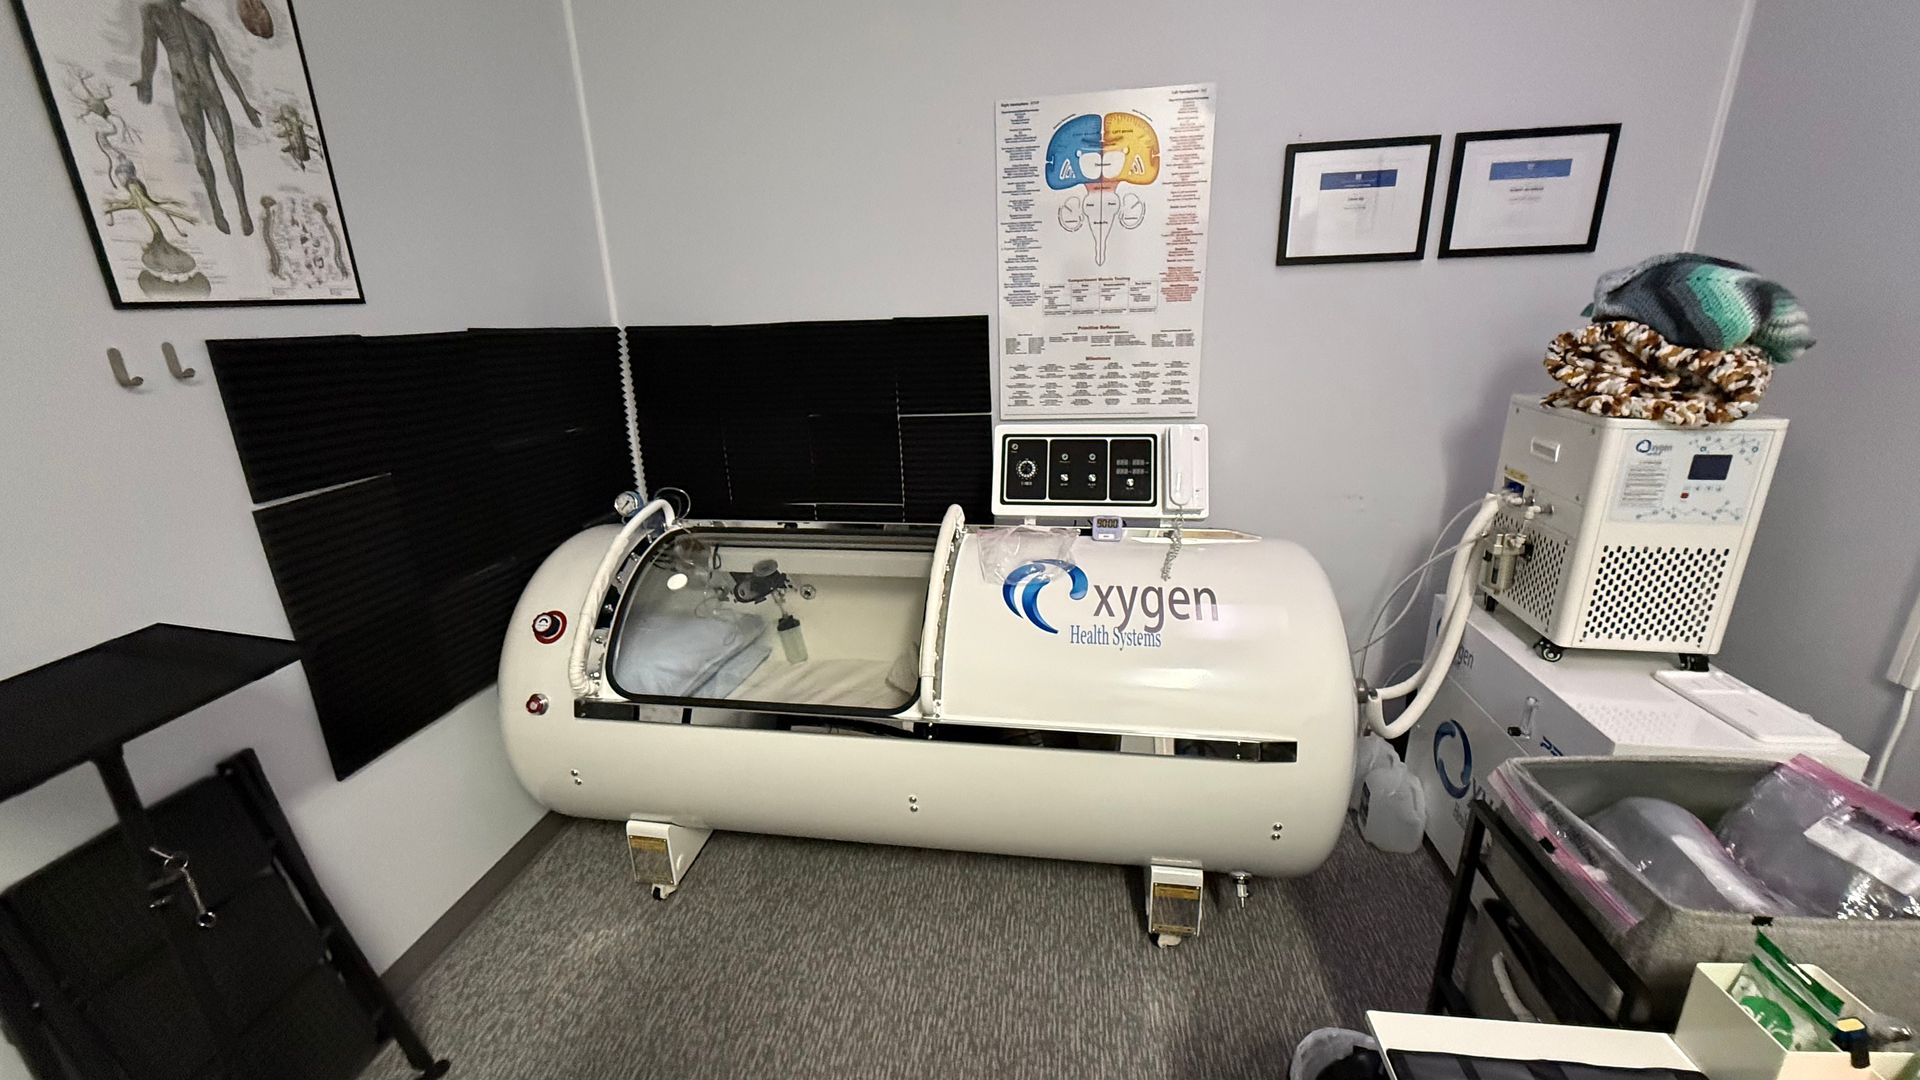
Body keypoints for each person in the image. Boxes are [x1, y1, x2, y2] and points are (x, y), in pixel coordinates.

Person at [132, 0, 261, 235]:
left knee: (229, 152)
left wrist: (245, 105)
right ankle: (216, 207)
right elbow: (149, 47)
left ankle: (243, 210)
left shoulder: (200, 26)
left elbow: (224, 66)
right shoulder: (154, 14)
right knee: (200, 152)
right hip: (186, 94)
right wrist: (146, 79)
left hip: (212, 93)